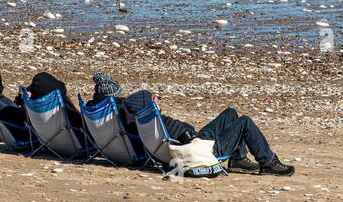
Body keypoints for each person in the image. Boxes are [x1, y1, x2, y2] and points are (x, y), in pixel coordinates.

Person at [90, 72, 294, 176]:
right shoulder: (131, 107)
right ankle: (268, 162)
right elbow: (139, 98)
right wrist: (151, 97)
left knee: (230, 113)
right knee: (244, 122)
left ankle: (238, 158)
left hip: (189, 141)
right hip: (195, 148)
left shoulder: (118, 114)